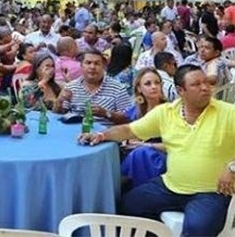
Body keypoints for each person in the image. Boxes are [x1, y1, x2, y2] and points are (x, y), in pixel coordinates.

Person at [79, 65, 234, 236]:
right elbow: (130, 130)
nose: (205, 87)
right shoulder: (167, 112)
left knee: (198, 228)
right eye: (196, 84)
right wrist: (101, 135)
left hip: (211, 192)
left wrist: (232, 168)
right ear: (180, 91)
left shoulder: (228, 113)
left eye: (206, 82)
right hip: (170, 186)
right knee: (128, 205)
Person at [119, 67, 168, 188]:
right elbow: (126, 131)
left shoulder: (169, 111)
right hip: (137, 152)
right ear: (139, 88)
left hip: (162, 155)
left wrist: (145, 145)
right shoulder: (136, 110)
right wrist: (127, 140)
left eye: (157, 83)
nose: (154, 87)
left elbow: (176, 144)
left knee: (142, 153)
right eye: (148, 84)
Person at [54, 49, 131, 123]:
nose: (92, 67)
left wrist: (106, 113)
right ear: (81, 66)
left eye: (97, 63)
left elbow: (128, 118)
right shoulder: (71, 87)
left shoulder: (118, 89)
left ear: (104, 67)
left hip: (107, 130)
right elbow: (59, 115)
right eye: (88, 63)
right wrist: (60, 101)